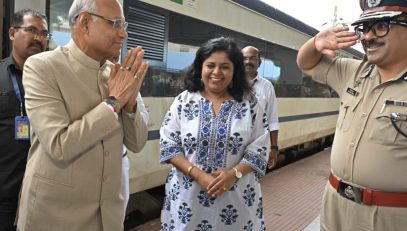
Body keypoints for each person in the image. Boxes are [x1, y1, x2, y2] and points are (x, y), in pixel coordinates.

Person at [16, 0, 149, 230]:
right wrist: (114, 101)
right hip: (55, 215)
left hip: (108, 216)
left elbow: (137, 143)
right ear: (85, 22)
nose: (124, 34)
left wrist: (130, 105)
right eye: (116, 24)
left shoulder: (117, 74)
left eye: (123, 25)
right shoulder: (42, 67)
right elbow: (60, 145)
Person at [296, 0, 407, 230]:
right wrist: (316, 42)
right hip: (335, 205)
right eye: (365, 28)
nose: (368, 37)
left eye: (380, 26)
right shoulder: (353, 71)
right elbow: (306, 63)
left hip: (390, 217)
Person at [159, 37, 270, 230]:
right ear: (200, 67)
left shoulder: (251, 103)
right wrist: (199, 175)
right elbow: (169, 145)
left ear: (235, 70)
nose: (216, 72)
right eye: (210, 65)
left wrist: (233, 174)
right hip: (188, 202)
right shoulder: (183, 102)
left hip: (236, 201)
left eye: (225, 67)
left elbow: (259, 148)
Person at [0, 9, 48, 231]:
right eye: (31, 30)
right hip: (5, 193)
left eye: (44, 33)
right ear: (12, 33)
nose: (38, 38)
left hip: (43, 192)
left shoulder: (53, 80)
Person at [242, 46, 280, 169]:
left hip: (256, 148)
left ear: (259, 62)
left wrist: (274, 148)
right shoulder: (231, 84)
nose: (248, 61)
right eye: (244, 58)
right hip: (233, 148)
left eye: (253, 58)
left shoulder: (267, 86)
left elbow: (272, 119)